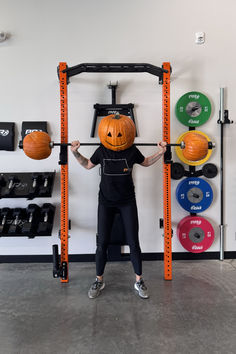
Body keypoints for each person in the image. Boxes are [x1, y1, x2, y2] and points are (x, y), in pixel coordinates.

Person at [71, 140, 167, 299]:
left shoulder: (131, 150)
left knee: (133, 242)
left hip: (127, 202)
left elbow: (146, 162)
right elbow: (88, 164)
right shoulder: (102, 150)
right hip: (105, 202)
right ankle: (99, 280)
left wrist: (160, 153)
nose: (116, 134)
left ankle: (139, 280)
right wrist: (75, 152)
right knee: (102, 243)